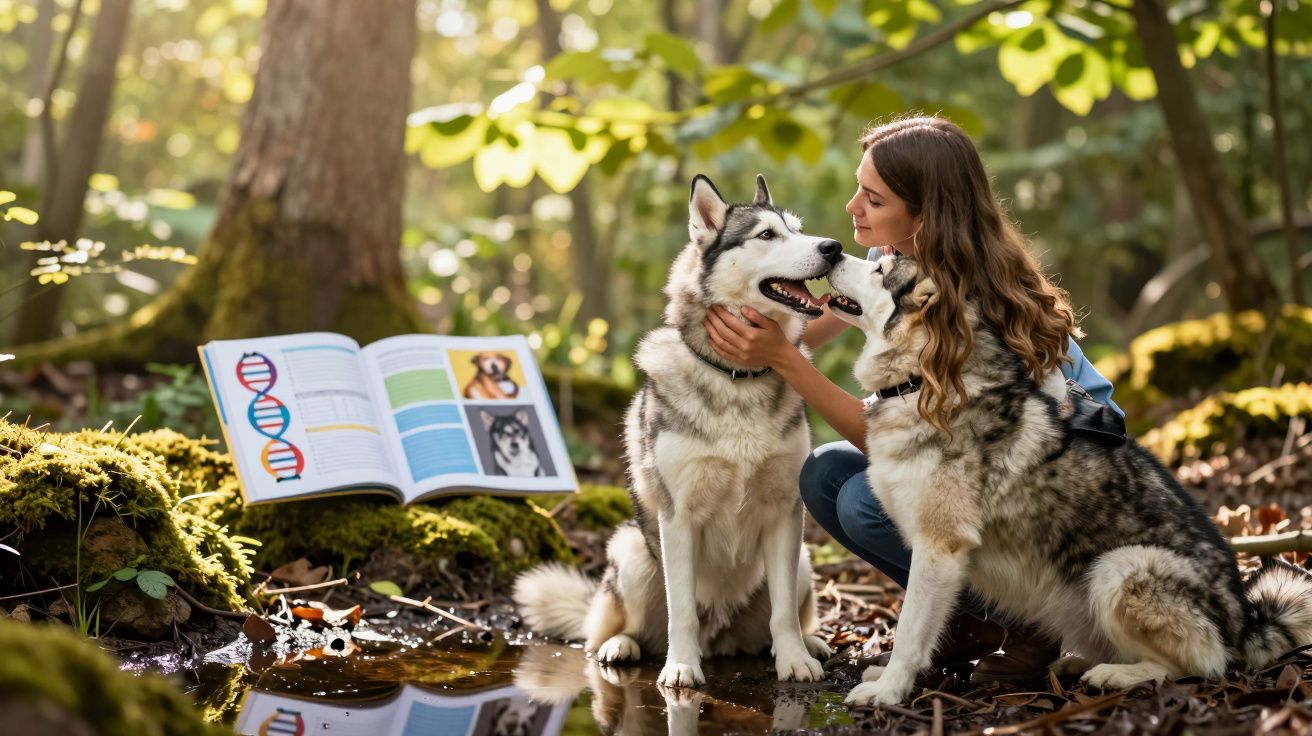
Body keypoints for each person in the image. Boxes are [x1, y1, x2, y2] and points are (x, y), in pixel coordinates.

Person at [702, 115, 1123, 683]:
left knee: (858, 500)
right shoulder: (891, 265)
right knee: (826, 473)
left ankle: (1029, 627)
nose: (852, 206)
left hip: (1062, 510)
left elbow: (900, 439)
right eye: (858, 187)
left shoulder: (957, 305)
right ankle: (965, 621)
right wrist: (729, 307)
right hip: (989, 484)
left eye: (872, 199)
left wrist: (783, 360)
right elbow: (812, 317)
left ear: (923, 216)